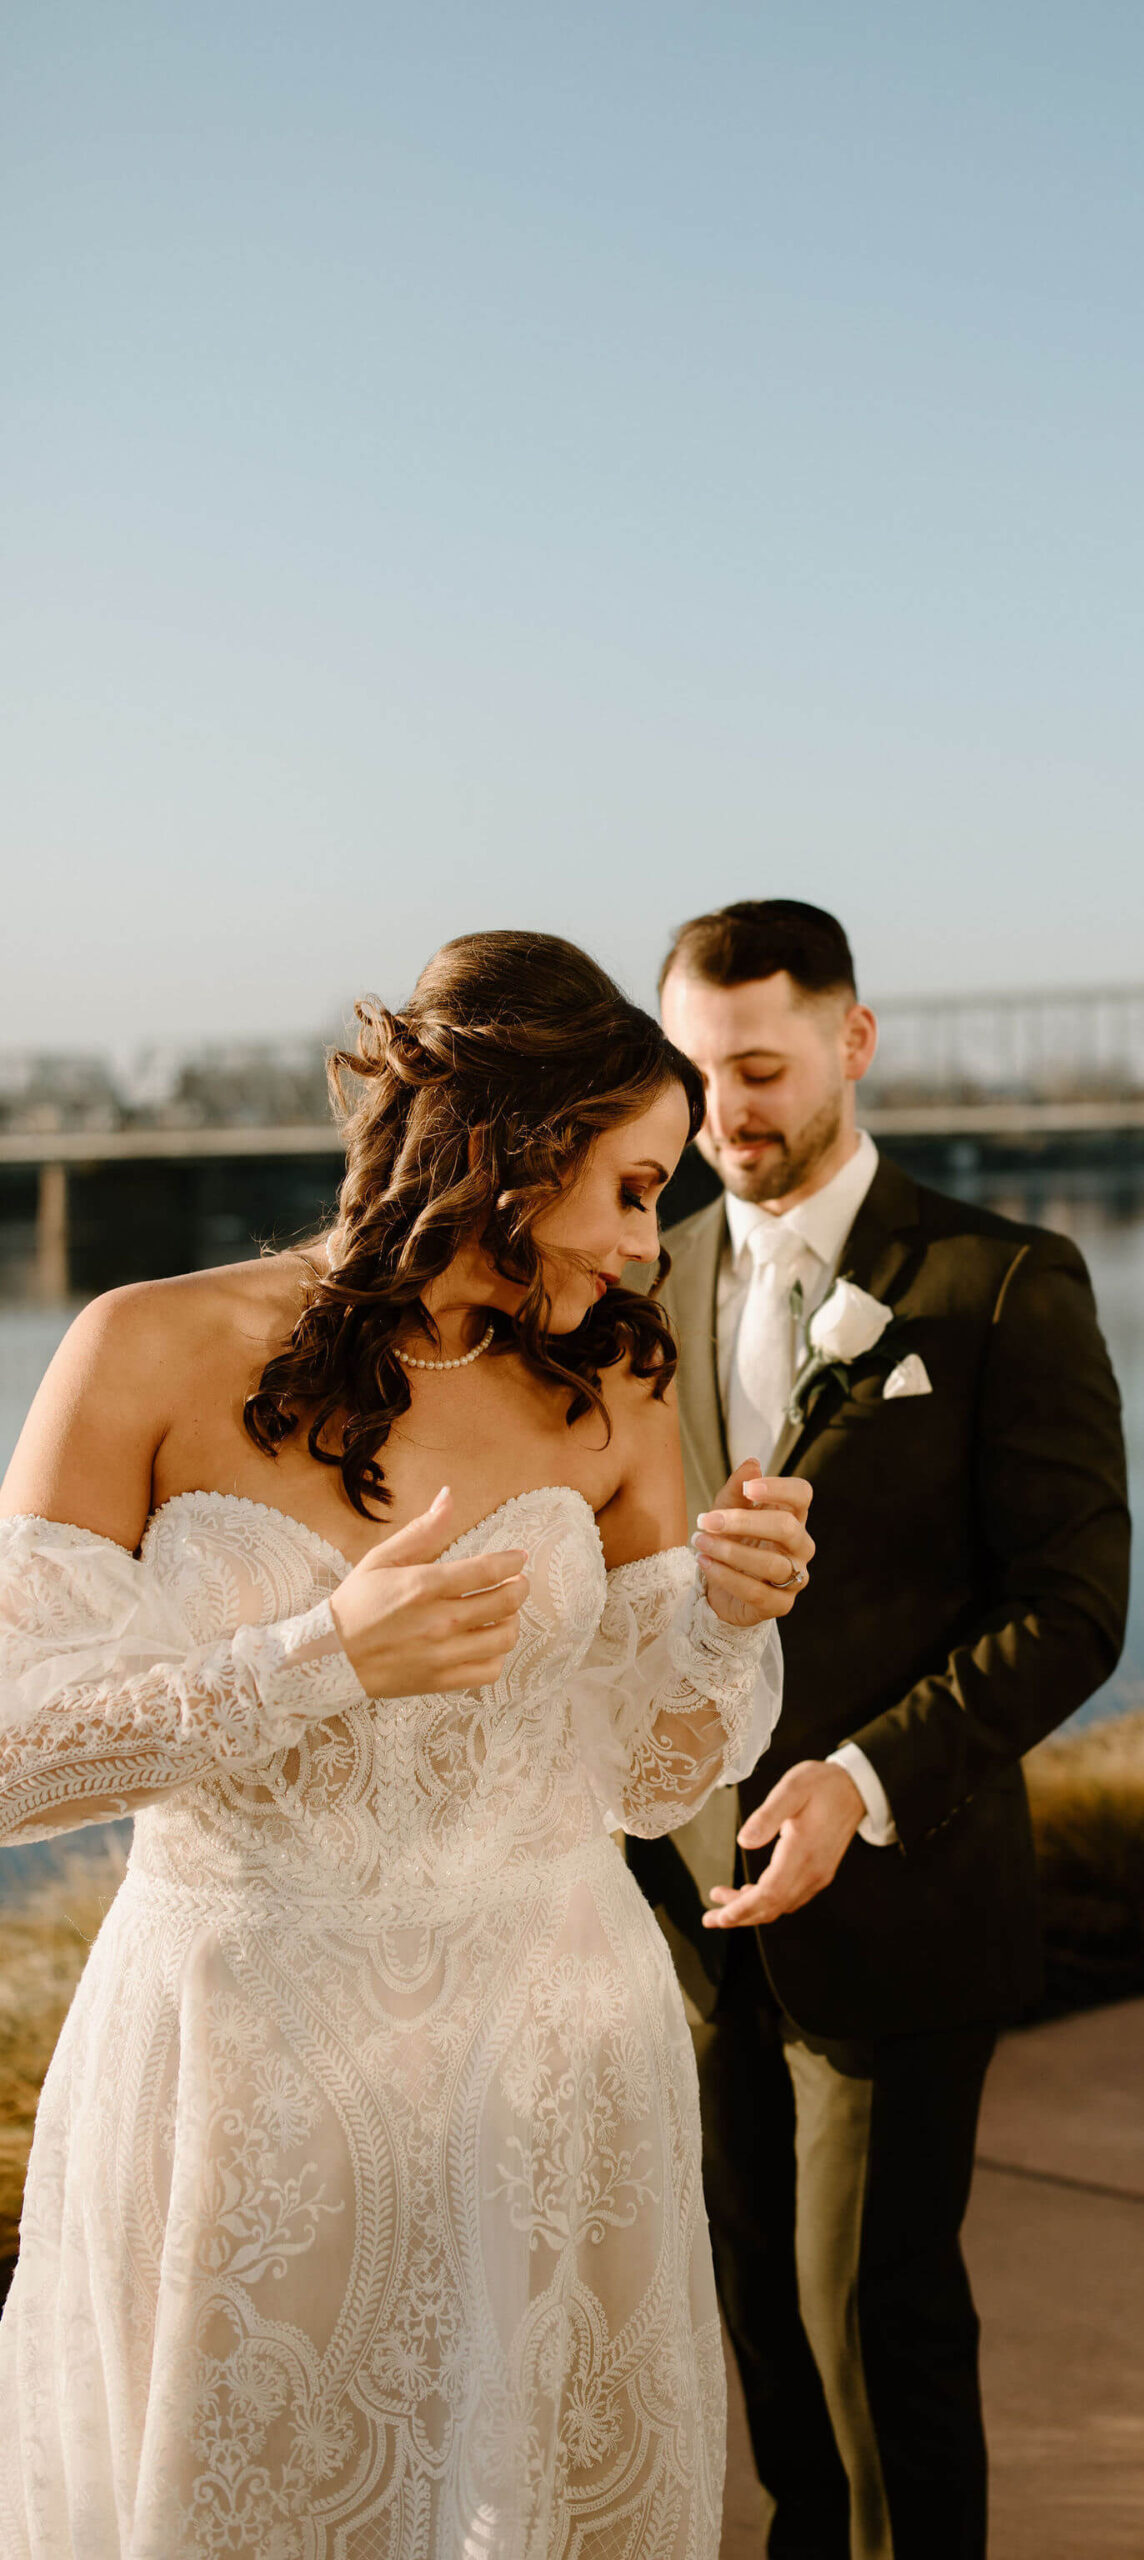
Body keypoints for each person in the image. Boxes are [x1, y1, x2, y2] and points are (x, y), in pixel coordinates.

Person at [0, 929, 816, 2560]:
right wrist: (317, 1661)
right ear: (511, 1156)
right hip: (243, 2071)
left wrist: (730, 1615)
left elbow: (656, 1778)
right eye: (632, 1188)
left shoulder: (619, 1387)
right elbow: (17, 1760)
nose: (651, 1246)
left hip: (552, 2043)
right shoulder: (139, 1348)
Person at [629, 901, 1130, 2560]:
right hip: (691, 1915)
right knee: (762, 2326)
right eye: (697, 1076)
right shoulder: (647, 1276)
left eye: (759, 1068)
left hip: (900, 1906)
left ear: (854, 1039)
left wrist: (859, 1784)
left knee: (874, 2326)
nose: (726, 1117)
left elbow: (1072, 1611)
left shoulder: (1000, 1287)